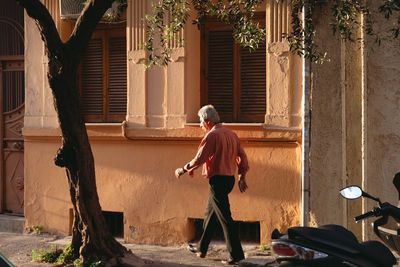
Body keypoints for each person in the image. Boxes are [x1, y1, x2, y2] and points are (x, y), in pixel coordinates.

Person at [175, 105, 249, 265]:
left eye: (201, 122)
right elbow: (242, 156)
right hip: (228, 180)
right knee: (210, 213)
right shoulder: (231, 134)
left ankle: (236, 255)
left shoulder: (212, 136)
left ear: (208, 121)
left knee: (225, 218)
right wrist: (242, 177)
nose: (200, 125)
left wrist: (183, 169)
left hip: (218, 182)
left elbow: (199, 158)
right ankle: (202, 248)